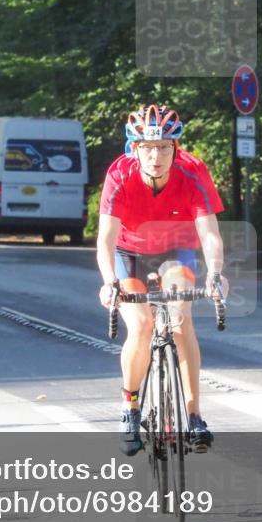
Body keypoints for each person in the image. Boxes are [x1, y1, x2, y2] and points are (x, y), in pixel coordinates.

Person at [96, 104, 227, 456]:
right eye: (148, 148)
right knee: (140, 325)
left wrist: (215, 273)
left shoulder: (193, 172)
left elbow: (210, 235)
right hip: (130, 254)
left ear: (176, 148)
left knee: (181, 320)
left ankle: (194, 415)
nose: (156, 157)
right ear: (134, 149)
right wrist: (109, 282)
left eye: (164, 148)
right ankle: (130, 407)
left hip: (175, 251)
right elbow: (105, 240)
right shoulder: (119, 175)